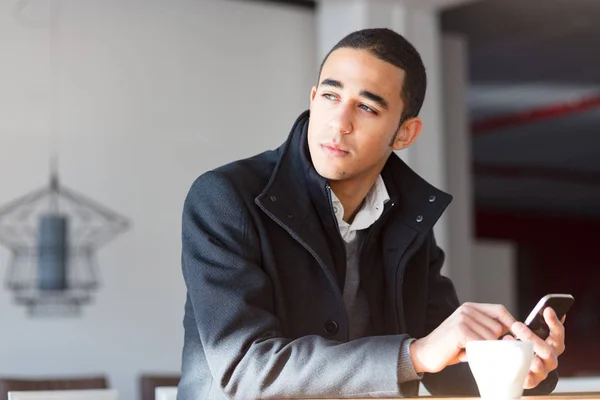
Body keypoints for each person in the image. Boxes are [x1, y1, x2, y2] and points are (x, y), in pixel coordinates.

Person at [177, 28, 566, 399]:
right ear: (313, 99)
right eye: (330, 97)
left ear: (405, 134)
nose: (339, 123)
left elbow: (447, 368)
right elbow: (244, 367)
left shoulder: (408, 219)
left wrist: (519, 366)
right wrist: (414, 355)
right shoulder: (225, 198)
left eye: (366, 107)